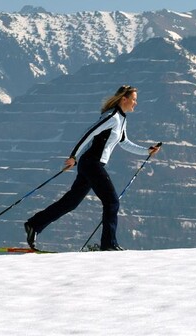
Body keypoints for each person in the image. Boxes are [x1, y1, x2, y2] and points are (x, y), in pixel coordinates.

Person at [24, 85, 161, 251]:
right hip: (91, 163)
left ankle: (34, 224)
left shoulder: (122, 119)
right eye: (134, 100)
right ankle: (108, 245)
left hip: (93, 164)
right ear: (124, 99)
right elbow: (88, 133)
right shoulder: (112, 117)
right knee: (111, 201)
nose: (136, 103)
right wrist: (73, 156)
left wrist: (146, 151)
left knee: (71, 202)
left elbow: (124, 142)